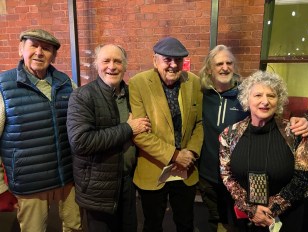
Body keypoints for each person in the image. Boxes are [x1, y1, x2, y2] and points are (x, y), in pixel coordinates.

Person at [198, 45, 308, 232]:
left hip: (288, 216)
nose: (264, 101)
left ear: (279, 99)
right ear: (247, 100)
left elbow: (303, 178)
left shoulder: (293, 133)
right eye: (258, 95)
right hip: (240, 208)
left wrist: (271, 210)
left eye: (271, 95)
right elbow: (228, 175)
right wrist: (251, 209)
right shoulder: (229, 133)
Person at [0, 29, 82, 232]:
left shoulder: (67, 84)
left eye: (46, 48)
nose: (39, 52)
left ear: (53, 55)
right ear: (21, 49)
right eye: (33, 46)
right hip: (30, 184)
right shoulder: (4, 87)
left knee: (74, 227)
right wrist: (1, 186)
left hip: (67, 179)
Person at [66, 44, 151, 232]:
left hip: (128, 183)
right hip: (98, 188)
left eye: (117, 61)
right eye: (106, 61)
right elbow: (80, 142)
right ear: (97, 65)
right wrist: (127, 129)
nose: (111, 66)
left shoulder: (132, 95)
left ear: (125, 66)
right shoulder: (82, 96)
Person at [128, 36, 203, 232]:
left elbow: (200, 123)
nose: (173, 65)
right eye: (167, 59)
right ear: (155, 60)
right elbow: (139, 132)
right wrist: (175, 155)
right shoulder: (138, 83)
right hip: (154, 168)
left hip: (186, 169)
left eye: (178, 60)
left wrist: (191, 153)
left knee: (186, 222)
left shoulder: (194, 82)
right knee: (152, 225)